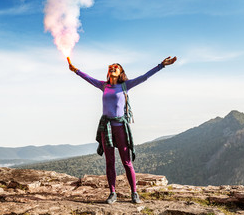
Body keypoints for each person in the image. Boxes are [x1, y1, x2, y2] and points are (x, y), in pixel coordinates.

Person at [68, 56, 177, 204]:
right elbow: (88, 78)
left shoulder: (125, 85)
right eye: (110, 67)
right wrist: (75, 70)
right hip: (106, 128)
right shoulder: (103, 85)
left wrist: (161, 65)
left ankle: (134, 193)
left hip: (120, 128)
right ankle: (112, 193)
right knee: (110, 162)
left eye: (116, 67)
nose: (112, 68)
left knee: (126, 162)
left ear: (120, 72)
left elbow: (144, 77)